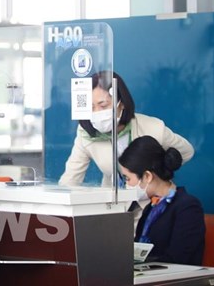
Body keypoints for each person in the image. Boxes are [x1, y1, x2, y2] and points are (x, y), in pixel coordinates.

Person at [58, 71, 194, 187]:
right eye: (91, 107)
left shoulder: (152, 127)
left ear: (121, 103)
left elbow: (186, 152)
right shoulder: (85, 133)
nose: (97, 112)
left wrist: (157, 172)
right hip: (110, 206)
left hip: (151, 205)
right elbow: (71, 177)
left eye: (103, 105)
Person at [119, 135, 205, 265]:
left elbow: (179, 259)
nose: (126, 184)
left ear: (147, 176)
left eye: (128, 179)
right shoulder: (150, 207)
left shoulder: (187, 207)